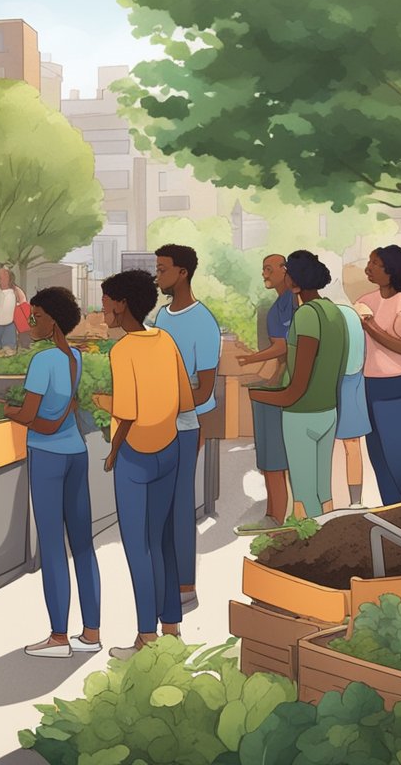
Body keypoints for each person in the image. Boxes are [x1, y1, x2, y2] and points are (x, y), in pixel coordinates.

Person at [102, 269, 195, 660]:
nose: (103, 309)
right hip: (170, 447)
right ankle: (171, 628)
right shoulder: (166, 339)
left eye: (107, 302)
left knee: (138, 547)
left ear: (122, 305)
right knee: (164, 543)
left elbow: (125, 414)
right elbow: (184, 401)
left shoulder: (122, 351)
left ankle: (146, 637)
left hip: (135, 455)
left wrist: (111, 454)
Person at [3, 287, 101, 658]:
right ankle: (91, 632)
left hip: (47, 457)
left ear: (54, 320)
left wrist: (6, 410)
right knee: (82, 543)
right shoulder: (74, 356)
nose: (31, 322)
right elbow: (64, 407)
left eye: (37, 316)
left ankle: (59, 637)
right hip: (76, 452)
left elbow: (30, 416)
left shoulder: (42, 361)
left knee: (51, 544)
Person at [250, 251, 347, 519]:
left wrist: (258, 394)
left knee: (304, 498)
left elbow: (296, 387)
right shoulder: (334, 312)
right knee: (323, 491)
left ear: (294, 279)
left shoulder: (305, 315)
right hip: (328, 410)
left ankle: (311, 547)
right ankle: (328, 541)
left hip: (302, 415)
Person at [150, 245, 221, 611]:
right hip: (158, 422)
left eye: (162, 270)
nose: (157, 277)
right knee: (161, 504)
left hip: (185, 425)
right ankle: (167, 579)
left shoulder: (204, 322)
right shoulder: (162, 317)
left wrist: (167, 404)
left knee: (179, 504)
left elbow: (205, 389)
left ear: (182, 273)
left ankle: (185, 586)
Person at [235, 254, 296, 534]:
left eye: (269, 269)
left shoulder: (293, 304)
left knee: (274, 459)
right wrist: (272, 376)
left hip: (289, 391)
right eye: (263, 270)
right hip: (287, 383)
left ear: (286, 270)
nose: (264, 275)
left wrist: (251, 359)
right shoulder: (281, 305)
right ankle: (280, 515)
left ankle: (275, 518)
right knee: (278, 459)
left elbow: (283, 347)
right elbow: (284, 355)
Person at [358, 245, 401, 505]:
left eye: (376, 264)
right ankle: (391, 507)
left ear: (391, 271)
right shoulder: (364, 301)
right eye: (370, 262)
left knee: (395, 450)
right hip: (368, 381)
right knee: (376, 451)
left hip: (395, 382)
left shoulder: (400, 303)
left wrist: (372, 329)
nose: (369, 268)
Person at [334, 298, 372, 508]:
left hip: (342, 380)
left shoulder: (337, 312)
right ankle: (355, 501)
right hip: (353, 379)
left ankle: (328, 502)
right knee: (352, 445)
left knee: (324, 445)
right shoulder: (352, 313)